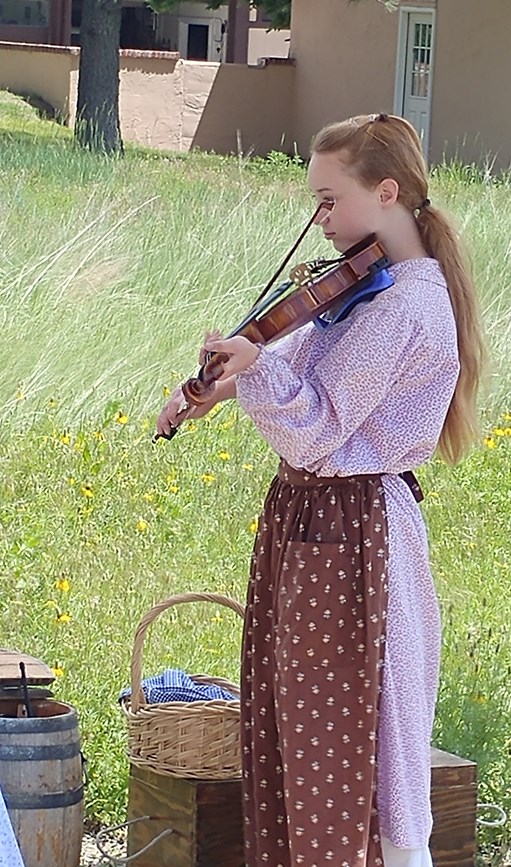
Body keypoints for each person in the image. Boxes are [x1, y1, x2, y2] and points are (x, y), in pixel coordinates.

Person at [156, 113, 485, 867]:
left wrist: (256, 370)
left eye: (330, 200)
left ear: (388, 192)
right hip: (320, 528)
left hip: (354, 535)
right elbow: (297, 356)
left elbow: (317, 427)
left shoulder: (406, 306)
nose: (321, 219)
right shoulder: (371, 288)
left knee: (350, 741)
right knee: (301, 729)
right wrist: (226, 380)